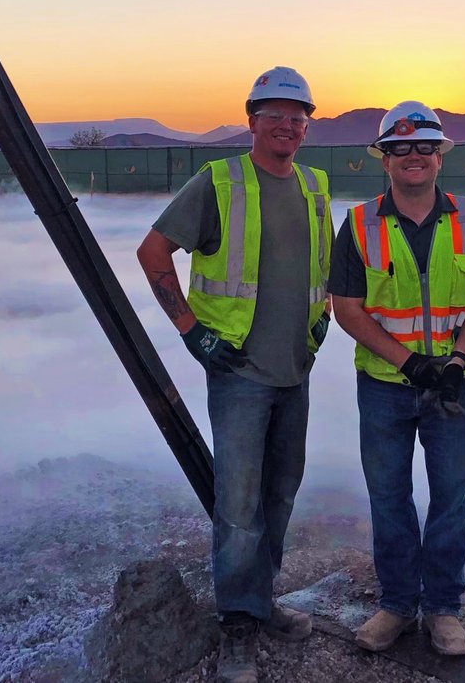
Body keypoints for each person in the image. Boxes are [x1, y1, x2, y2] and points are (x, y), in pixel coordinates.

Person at [136, 66, 333, 683]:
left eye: (298, 115)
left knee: (279, 494)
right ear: (252, 120)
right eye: (274, 113)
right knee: (240, 506)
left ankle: (262, 600)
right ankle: (237, 629)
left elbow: (319, 267)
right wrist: (191, 329)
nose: (288, 124)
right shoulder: (220, 180)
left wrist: (320, 318)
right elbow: (152, 251)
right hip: (241, 372)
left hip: (294, 370)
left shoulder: (315, 185)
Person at [330, 101, 465, 657]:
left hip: (452, 387)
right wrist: (410, 364)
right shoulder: (359, 224)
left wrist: (456, 362)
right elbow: (347, 308)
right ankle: (398, 604)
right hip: (384, 386)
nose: (413, 157)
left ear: (439, 155)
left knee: (452, 496)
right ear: (384, 158)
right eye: (400, 148)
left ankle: (445, 609)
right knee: (389, 496)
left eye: (424, 146)